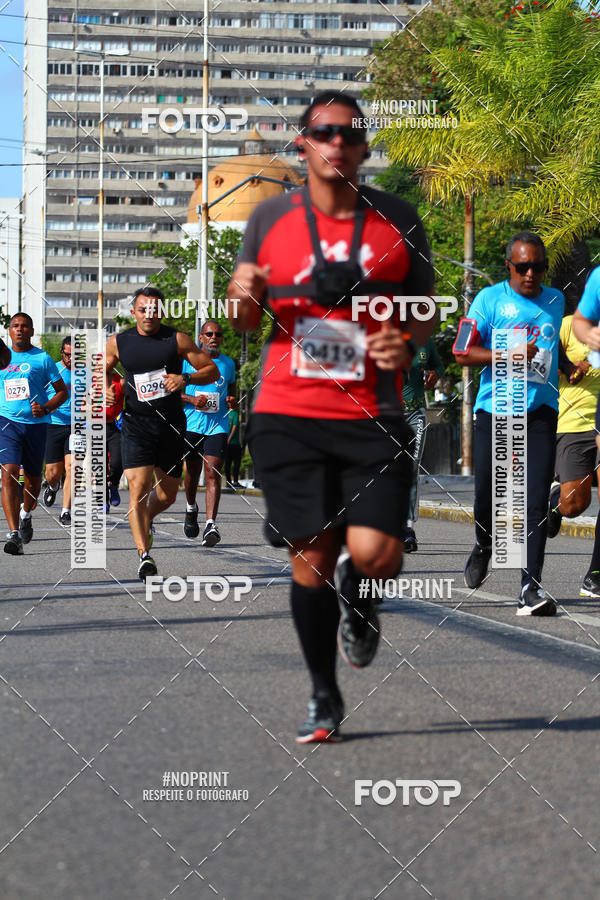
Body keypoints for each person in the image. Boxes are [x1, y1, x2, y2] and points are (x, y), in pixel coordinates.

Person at [227, 91, 434, 742]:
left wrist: (409, 339)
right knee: (309, 557)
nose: (336, 143)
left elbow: (425, 311)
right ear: (303, 144)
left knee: (378, 556)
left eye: (349, 133)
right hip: (288, 409)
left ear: (365, 146)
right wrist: (241, 299)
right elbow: (242, 321)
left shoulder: (397, 219)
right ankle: (323, 694)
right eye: (323, 132)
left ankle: (362, 601)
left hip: (373, 410)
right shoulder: (268, 219)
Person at [455, 232, 564, 615]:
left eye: (537, 266)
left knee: (534, 502)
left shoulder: (556, 299)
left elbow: (554, 347)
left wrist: (568, 367)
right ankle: (485, 543)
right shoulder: (489, 300)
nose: (530, 274)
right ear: (508, 267)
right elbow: (461, 352)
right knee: (487, 497)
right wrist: (509, 353)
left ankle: (529, 589)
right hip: (495, 411)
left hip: (539, 414)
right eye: (522, 267)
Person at [105, 288, 219, 580]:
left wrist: (185, 378)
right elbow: (102, 368)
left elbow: (212, 371)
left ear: (162, 312)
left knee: (168, 495)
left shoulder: (176, 339)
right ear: (134, 313)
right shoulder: (119, 342)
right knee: (138, 488)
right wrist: (106, 386)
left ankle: (147, 519)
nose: (148, 315)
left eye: (154, 310)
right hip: (135, 425)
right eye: (142, 309)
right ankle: (144, 556)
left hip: (170, 426)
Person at [0, 313, 67, 554]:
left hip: (36, 426)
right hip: (6, 422)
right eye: (15, 326)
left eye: (24, 326)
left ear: (31, 331)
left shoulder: (42, 359)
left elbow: (62, 392)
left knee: (33, 480)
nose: (19, 330)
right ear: (9, 331)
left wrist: (47, 407)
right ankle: (14, 533)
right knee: (8, 473)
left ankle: (26, 514)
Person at [545, 312, 600, 597]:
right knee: (575, 504)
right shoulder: (569, 325)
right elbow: (540, 365)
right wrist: (567, 366)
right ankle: (555, 502)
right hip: (574, 425)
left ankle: (595, 576)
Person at [181, 321, 236, 546]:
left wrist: (232, 400)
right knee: (192, 473)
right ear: (200, 337)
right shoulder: (186, 362)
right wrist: (192, 399)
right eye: (209, 334)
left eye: (218, 334)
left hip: (217, 426)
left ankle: (210, 524)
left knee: (212, 472)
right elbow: (171, 391)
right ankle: (191, 507)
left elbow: (231, 389)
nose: (214, 337)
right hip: (191, 425)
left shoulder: (229, 364)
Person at [402, 335, 445, 553]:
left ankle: (407, 528)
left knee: (411, 467)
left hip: (415, 414)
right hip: (384, 414)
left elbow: (438, 365)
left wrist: (435, 374)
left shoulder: (424, 339)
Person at [42, 336, 73, 525]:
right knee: (53, 473)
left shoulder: (86, 374)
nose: (71, 359)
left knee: (72, 468)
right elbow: (39, 393)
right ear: (62, 352)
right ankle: (53, 487)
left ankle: (66, 511)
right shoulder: (53, 369)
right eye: (68, 354)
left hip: (77, 426)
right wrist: (47, 406)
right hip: (53, 423)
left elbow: (94, 398)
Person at [106, 370, 125, 510]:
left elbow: (133, 400)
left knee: (118, 462)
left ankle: (113, 484)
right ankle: (103, 500)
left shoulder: (121, 382)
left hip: (115, 427)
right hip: (96, 427)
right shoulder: (90, 381)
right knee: (99, 465)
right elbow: (81, 405)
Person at [225, 396, 243, 489]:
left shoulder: (225, 414)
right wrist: (229, 439)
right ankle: (235, 482)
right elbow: (234, 427)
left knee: (227, 463)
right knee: (236, 463)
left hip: (226, 444)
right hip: (234, 443)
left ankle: (228, 482)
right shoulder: (235, 414)